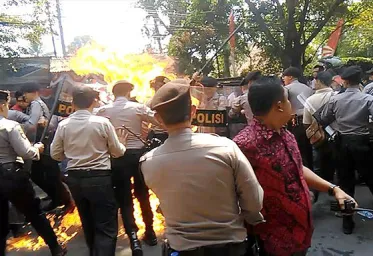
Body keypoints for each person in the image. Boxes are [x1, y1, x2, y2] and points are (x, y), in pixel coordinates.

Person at [233, 77, 356, 256]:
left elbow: (297, 168)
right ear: (279, 105)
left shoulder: (286, 135)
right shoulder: (244, 145)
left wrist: (334, 189)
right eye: (288, 100)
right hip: (273, 239)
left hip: (301, 232)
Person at [140, 79, 264, 256]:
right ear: (193, 111)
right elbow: (254, 200)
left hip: (181, 250)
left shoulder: (147, 162)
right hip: (231, 246)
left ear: (158, 119)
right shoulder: (226, 147)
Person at [50, 86, 127, 256]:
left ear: (73, 102)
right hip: (99, 178)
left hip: (75, 179)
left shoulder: (64, 125)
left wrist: (71, 153)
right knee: (106, 227)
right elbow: (117, 152)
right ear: (94, 101)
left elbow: (55, 155)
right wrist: (122, 142)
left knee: (88, 222)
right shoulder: (102, 123)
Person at [96, 80, 160, 255]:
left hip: (116, 157)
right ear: (129, 93)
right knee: (143, 194)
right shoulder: (138, 108)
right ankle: (150, 232)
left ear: (114, 94)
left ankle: (133, 238)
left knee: (124, 198)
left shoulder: (103, 111)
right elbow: (158, 121)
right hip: (137, 156)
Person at [0, 90, 66, 256]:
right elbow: (26, 152)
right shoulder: (9, 126)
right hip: (11, 176)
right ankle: (55, 248)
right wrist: (37, 149)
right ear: (2, 106)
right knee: (34, 213)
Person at [320, 66, 373, 234]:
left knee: (346, 183)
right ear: (360, 81)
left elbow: (324, 118)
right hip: (362, 143)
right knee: (371, 176)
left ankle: (347, 223)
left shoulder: (336, 100)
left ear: (345, 81)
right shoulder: (368, 99)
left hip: (342, 144)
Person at [21, 83, 73, 213]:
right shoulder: (38, 104)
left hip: (43, 144)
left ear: (32, 92)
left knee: (50, 175)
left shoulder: (36, 104)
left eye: (25, 94)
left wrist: (19, 126)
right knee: (42, 175)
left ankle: (66, 201)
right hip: (42, 144)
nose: (24, 97)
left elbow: (32, 124)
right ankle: (58, 198)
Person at [303, 71, 337, 202]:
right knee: (337, 167)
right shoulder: (337, 96)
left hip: (318, 138)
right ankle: (337, 198)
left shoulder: (310, 100)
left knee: (317, 167)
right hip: (336, 137)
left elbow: (306, 123)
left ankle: (313, 197)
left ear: (319, 81)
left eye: (314, 80)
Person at [283, 67, 314, 170]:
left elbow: (283, 105)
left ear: (290, 77)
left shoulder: (287, 88)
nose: (283, 79)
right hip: (309, 122)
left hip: (295, 122)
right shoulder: (308, 88)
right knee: (308, 149)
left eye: (285, 76)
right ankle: (311, 171)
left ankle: (301, 172)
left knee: (298, 148)